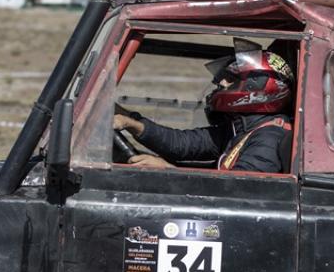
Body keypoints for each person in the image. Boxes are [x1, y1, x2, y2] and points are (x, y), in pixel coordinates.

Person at [113, 39, 295, 173]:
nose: (222, 83)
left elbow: (235, 191)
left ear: (257, 88)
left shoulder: (269, 138)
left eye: (231, 79)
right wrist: (131, 122)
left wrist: (169, 170)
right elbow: (181, 144)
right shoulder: (241, 128)